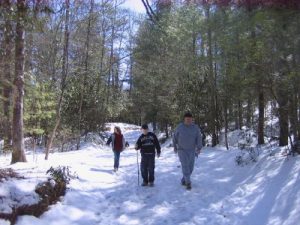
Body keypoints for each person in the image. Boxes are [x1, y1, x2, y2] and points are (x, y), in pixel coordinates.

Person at [173, 112, 202, 190]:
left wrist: (199, 148)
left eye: (190, 119)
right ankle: (188, 183)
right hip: (181, 150)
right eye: (187, 119)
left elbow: (199, 137)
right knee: (185, 165)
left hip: (192, 150)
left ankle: (184, 179)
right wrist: (175, 146)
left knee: (190, 168)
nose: (188, 121)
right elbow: (174, 136)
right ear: (184, 119)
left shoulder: (195, 128)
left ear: (192, 120)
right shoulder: (180, 127)